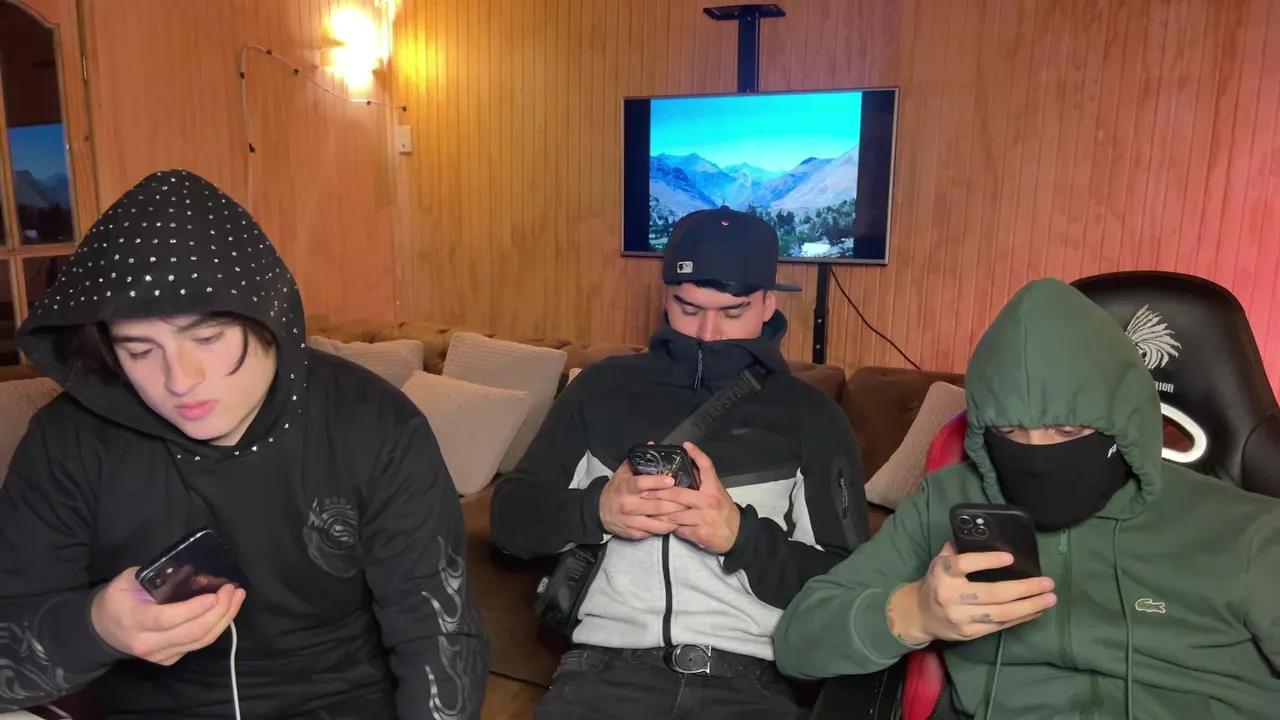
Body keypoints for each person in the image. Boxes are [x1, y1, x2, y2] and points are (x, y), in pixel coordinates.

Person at [0, 170, 490, 719]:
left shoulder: (375, 424)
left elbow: (439, 637)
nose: (179, 379)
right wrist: (96, 627)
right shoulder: (69, 441)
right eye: (139, 351)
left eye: (207, 338)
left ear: (269, 315)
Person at [772, 278, 1280, 719]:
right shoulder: (947, 502)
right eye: (1010, 431)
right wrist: (913, 613)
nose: (1037, 454)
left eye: (1067, 430)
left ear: (1122, 421)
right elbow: (799, 640)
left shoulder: (1247, 531)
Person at [489, 206, 869, 719]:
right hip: (600, 676)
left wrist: (741, 537)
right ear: (665, 296)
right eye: (688, 308)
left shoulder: (813, 416)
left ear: (767, 303)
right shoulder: (599, 388)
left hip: (748, 687)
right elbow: (509, 519)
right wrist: (596, 510)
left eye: (731, 312)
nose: (707, 332)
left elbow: (850, 587)